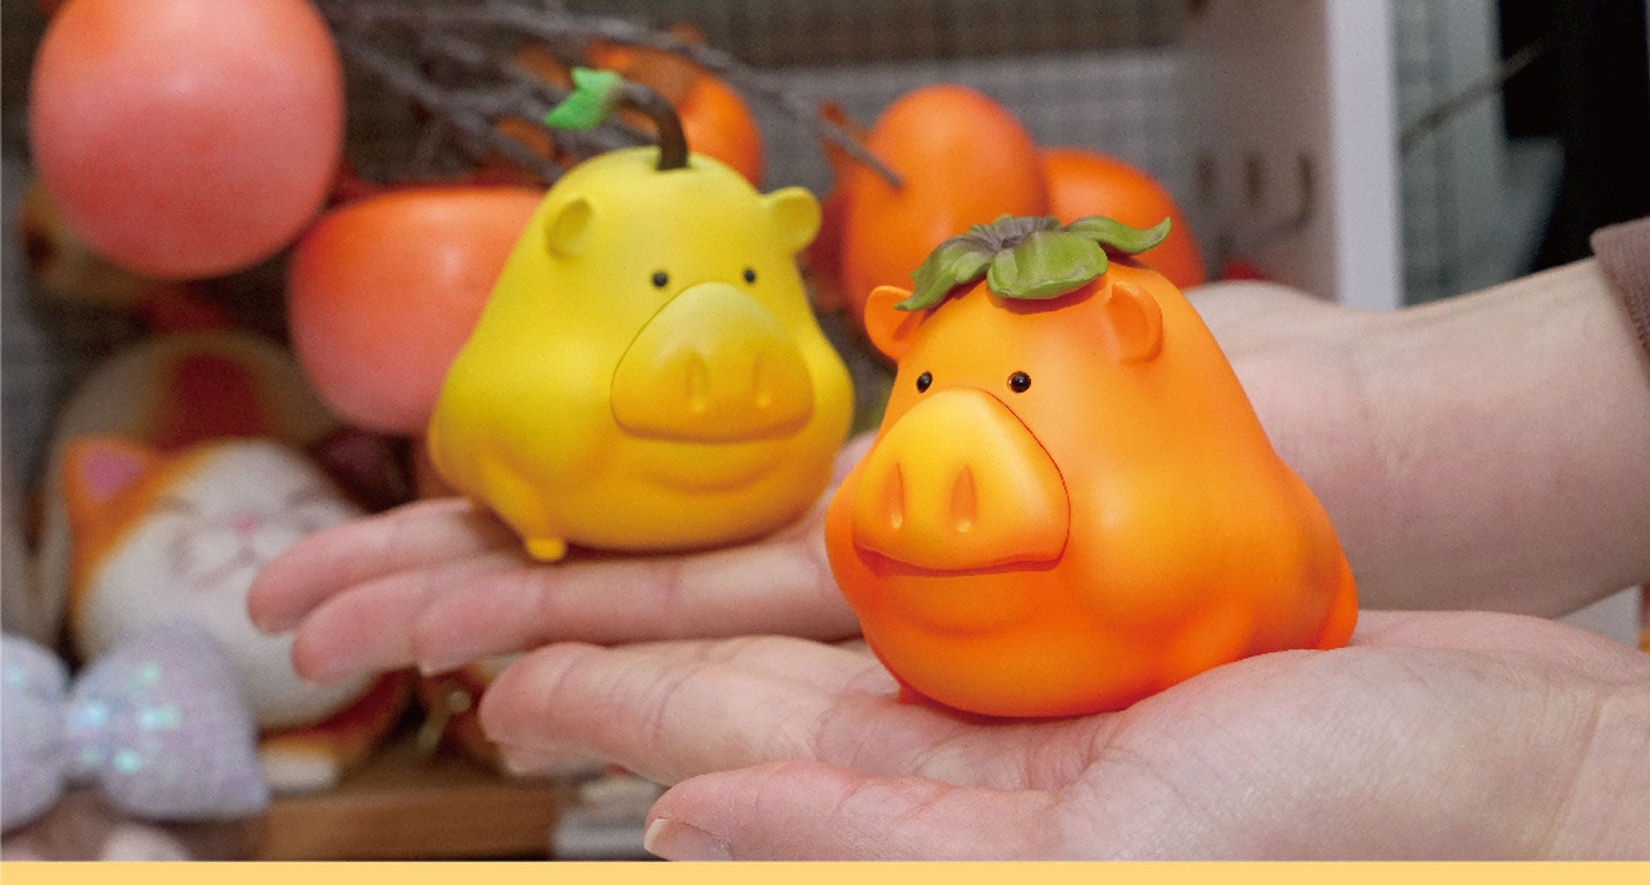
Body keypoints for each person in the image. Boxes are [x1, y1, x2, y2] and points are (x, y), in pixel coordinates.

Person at [250, 219, 1650, 859]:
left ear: (1125, 343)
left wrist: (1586, 795)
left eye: (1017, 392)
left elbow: (1249, 552)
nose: (931, 455)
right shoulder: (901, 512)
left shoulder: (1216, 493)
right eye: (923, 389)